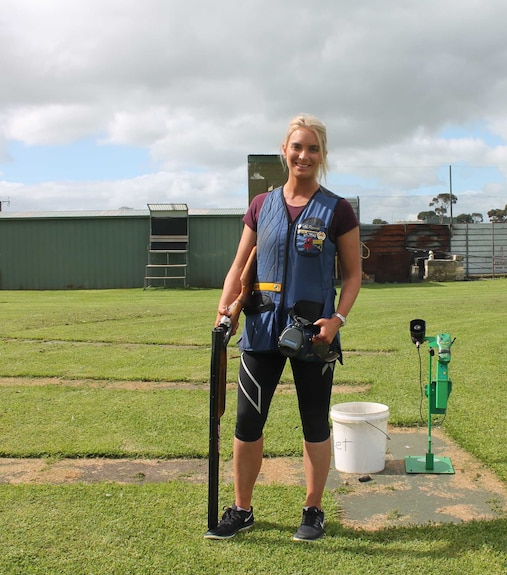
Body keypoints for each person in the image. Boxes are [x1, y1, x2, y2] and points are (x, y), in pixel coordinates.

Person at [205, 113, 361, 542]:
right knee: (246, 422)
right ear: (284, 151)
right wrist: (226, 308)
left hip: (314, 335)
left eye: (313, 148)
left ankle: (313, 511)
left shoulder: (338, 209)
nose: (304, 155)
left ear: (322, 155)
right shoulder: (261, 205)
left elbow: (352, 276)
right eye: (297, 147)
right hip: (259, 328)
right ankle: (241, 510)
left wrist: (337, 319)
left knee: (314, 424)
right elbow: (240, 265)